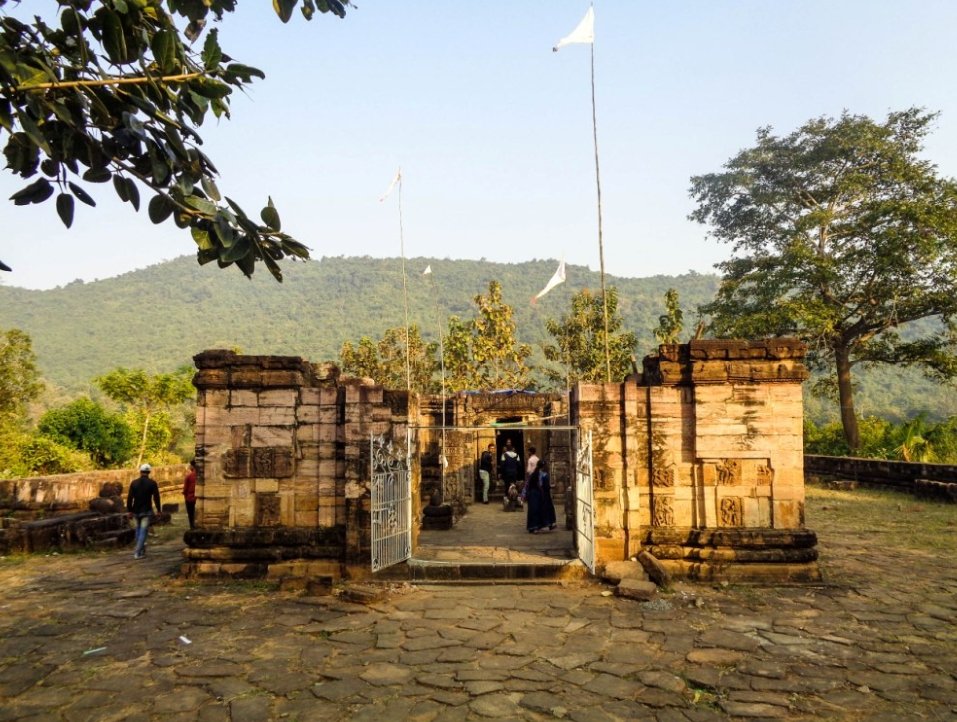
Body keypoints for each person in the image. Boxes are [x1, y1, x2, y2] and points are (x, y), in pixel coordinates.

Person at [127, 463, 162, 559]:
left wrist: (129, 510)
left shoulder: (134, 483)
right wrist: (159, 510)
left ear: (140, 472)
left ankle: (141, 551)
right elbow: (156, 498)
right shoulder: (152, 483)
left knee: (138, 530)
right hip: (146, 510)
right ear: (149, 472)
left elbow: (130, 498)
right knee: (143, 531)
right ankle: (137, 553)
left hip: (136, 510)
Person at [525, 461, 545, 533]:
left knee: (532, 510)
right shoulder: (538, 474)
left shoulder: (534, 473)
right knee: (535, 510)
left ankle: (532, 526)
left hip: (532, 493)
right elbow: (539, 484)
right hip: (535, 493)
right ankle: (535, 526)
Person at [539, 459, 557, 531]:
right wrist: (552, 486)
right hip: (545, 494)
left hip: (538, 494)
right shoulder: (544, 475)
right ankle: (549, 523)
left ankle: (540, 524)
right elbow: (546, 486)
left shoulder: (536, 474)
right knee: (548, 509)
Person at [183, 459, 197, 529]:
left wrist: (185, 497)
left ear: (192, 466)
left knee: (191, 514)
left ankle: (192, 526)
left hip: (190, 498)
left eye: (190, 465)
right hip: (198, 498)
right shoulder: (203, 476)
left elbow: (185, 489)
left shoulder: (189, 476)